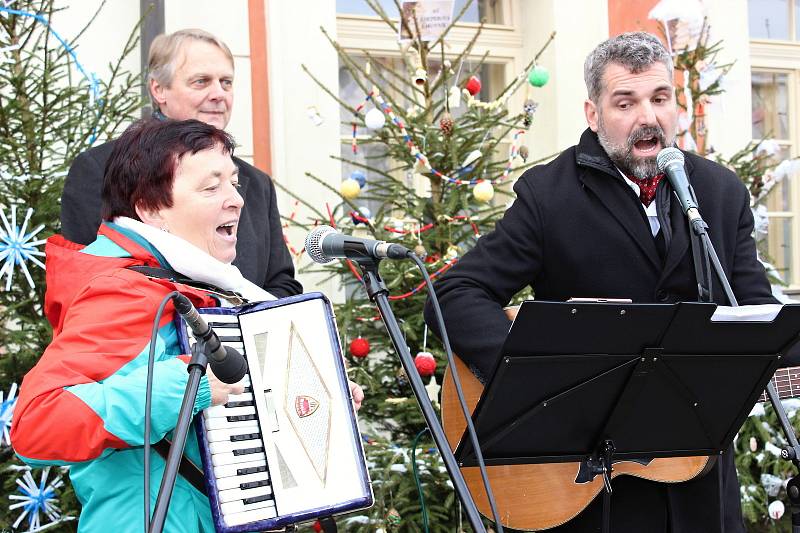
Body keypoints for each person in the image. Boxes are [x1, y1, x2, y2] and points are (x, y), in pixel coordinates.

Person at [424, 32, 777, 533]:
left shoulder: (720, 192)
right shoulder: (549, 196)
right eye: (625, 102)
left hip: (700, 496)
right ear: (593, 114)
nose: (647, 118)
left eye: (659, 99)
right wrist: (536, 383)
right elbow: (452, 295)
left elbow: (756, 320)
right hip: (588, 496)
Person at [11, 119, 364, 532]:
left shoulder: (201, 286)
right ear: (151, 208)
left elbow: (229, 411)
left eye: (234, 183)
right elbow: (36, 424)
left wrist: (317, 399)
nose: (236, 200)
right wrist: (186, 385)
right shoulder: (122, 292)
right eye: (211, 187)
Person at [60, 28, 301, 298]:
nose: (218, 94)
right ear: (159, 89)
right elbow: (88, 276)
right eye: (201, 81)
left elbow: (281, 283)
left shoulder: (257, 183)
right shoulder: (100, 168)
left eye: (226, 82)